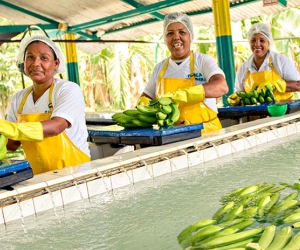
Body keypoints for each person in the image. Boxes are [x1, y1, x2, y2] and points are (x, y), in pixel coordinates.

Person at [0, 35, 91, 174]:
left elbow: (57, 126)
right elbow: (11, 144)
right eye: (30, 57)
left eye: (44, 58)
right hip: (38, 176)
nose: (36, 63)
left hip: (75, 173)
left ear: (56, 64)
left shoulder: (68, 89)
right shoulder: (19, 98)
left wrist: (7, 127)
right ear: (23, 63)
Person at [138, 12, 228, 134]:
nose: (176, 37)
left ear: (190, 36)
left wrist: (184, 94)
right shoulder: (159, 69)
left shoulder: (202, 61)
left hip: (207, 134)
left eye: (182, 32)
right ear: (165, 39)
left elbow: (221, 87)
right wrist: (142, 107)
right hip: (172, 136)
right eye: (170, 33)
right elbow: (146, 98)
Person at [233, 22, 300, 102]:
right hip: (254, 114)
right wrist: (236, 98)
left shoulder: (280, 61)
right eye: (253, 40)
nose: (257, 44)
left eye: (262, 40)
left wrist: (276, 85)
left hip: (282, 112)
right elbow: (239, 93)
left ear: (269, 43)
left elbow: (298, 85)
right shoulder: (244, 68)